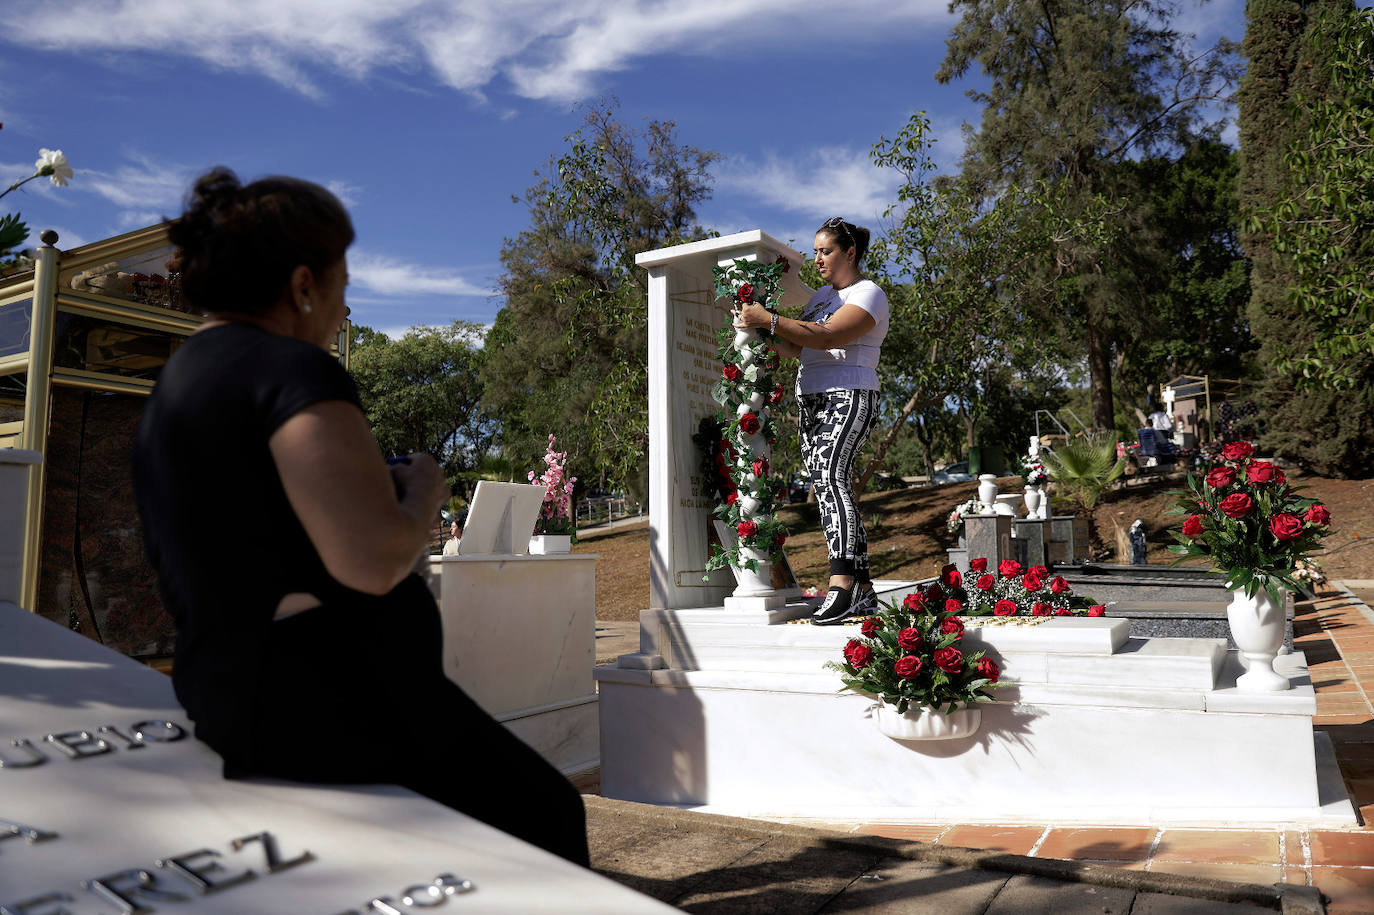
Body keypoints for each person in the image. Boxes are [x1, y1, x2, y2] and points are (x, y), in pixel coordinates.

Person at [132, 168, 589, 866]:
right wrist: (422, 493)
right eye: (342, 287)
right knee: (544, 816)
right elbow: (372, 560)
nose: (343, 310)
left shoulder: (181, 379)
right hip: (330, 699)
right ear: (302, 284)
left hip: (232, 689)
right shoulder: (291, 370)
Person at [731, 217, 888, 624]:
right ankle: (864, 588)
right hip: (812, 399)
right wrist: (755, 325)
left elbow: (829, 336)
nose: (817, 258)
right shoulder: (820, 296)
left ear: (849, 253)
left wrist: (768, 318)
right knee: (827, 485)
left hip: (849, 394)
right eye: (816, 251)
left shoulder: (868, 293)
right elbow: (798, 346)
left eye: (826, 251)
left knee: (832, 479)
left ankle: (842, 584)